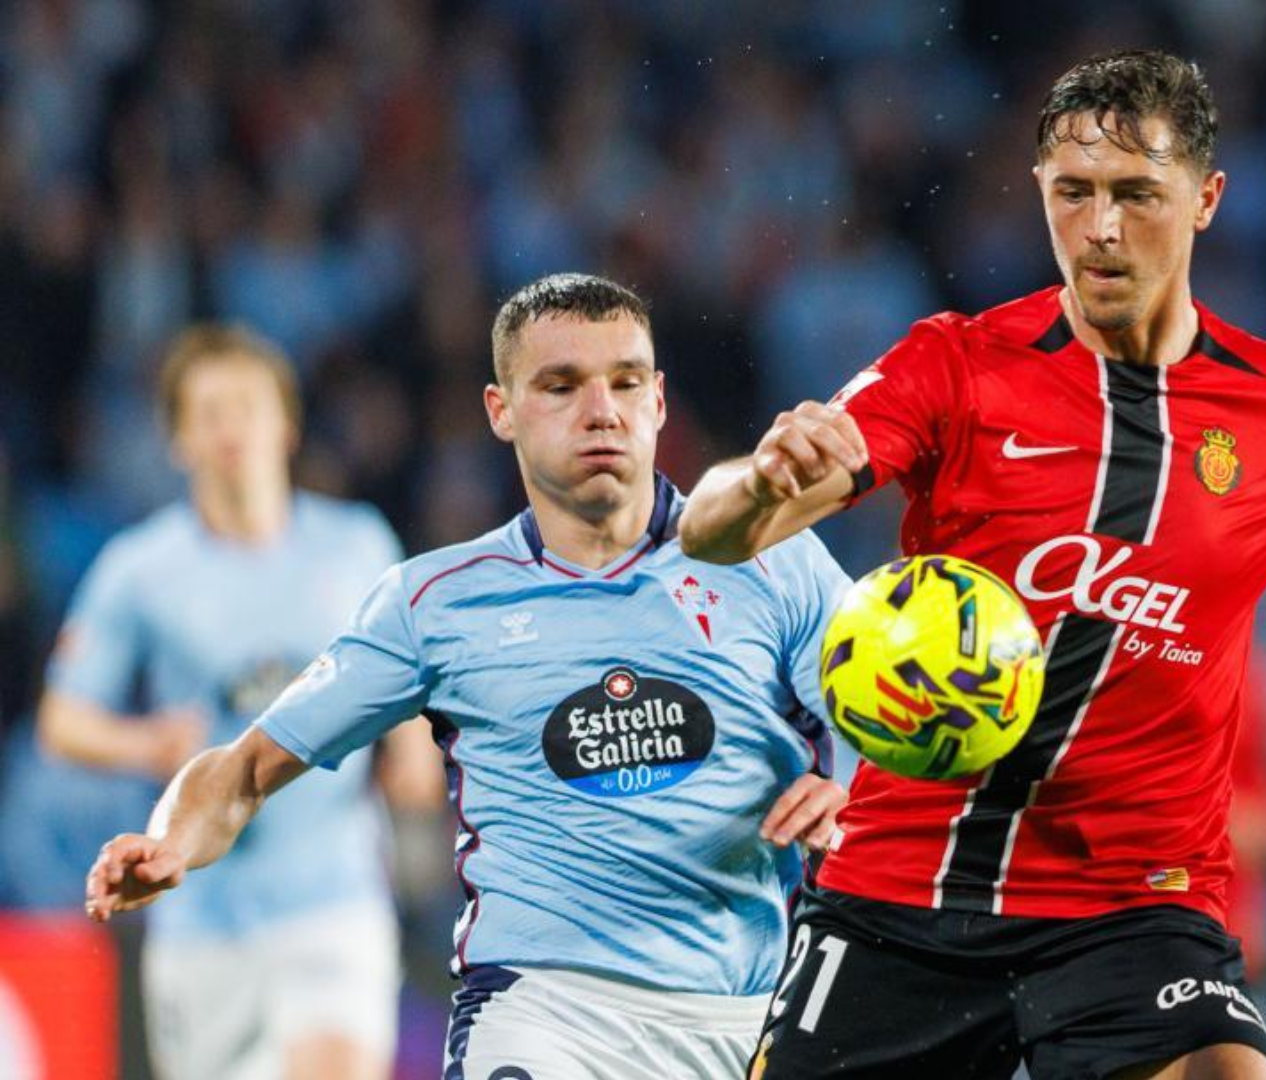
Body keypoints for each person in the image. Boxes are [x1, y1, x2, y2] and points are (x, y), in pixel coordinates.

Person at [680, 50, 1266, 1080]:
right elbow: (714, 532)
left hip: (1135, 912)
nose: (1101, 228)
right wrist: (761, 479)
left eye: (1137, 194)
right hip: (900, 892)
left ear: (1206, 200)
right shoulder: (954, 365)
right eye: (1074, 194)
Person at [85, 274, 853, 1080]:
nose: (602, 411)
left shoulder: (777, 560)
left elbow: (910, 733)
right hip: (544, 1014)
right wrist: (171, 840)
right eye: (561, 386)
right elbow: (243, 768)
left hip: (750, 1014)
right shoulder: (434, 602)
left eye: (626, 382)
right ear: (501, 410)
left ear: (659, 400)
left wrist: (855, 794)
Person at [40, 323, 444, 1080]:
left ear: (286, 424)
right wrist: (145, 743)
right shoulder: (141, 569)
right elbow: (63, 719)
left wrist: (413, 753)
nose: (232, 429)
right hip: (203, 914)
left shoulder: (357, 544)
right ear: (177, 440)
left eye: (248, 407)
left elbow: (413, 676)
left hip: (335, 892)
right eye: (210, 412)